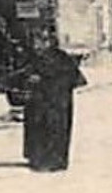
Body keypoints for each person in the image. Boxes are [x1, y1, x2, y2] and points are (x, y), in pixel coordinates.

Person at [22, 31, 86, 172]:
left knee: (54, 129)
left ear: (49, 42)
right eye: (36, 41)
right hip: (44, 101)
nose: (37, 45)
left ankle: (53, 161)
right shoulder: (36, 58)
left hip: (57, 102)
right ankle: (42, 159)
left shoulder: (60, 58)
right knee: (42, 128)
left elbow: (75, 78)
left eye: (41, 41)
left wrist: (46, 81)